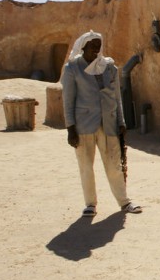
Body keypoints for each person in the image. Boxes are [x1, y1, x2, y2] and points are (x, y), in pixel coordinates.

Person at [61, 30, 142, 218]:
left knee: (114, 164)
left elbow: (116, 96)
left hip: (109, 123)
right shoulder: (73, 68)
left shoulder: (109, 67)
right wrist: (70, 128)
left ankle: (124, 201)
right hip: (83, 125)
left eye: (98, 46)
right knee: (86, 165)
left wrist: (121, 121)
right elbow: (68, 100)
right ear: (84, 47)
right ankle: (90, 204)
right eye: (92, 46)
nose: (96, 50)